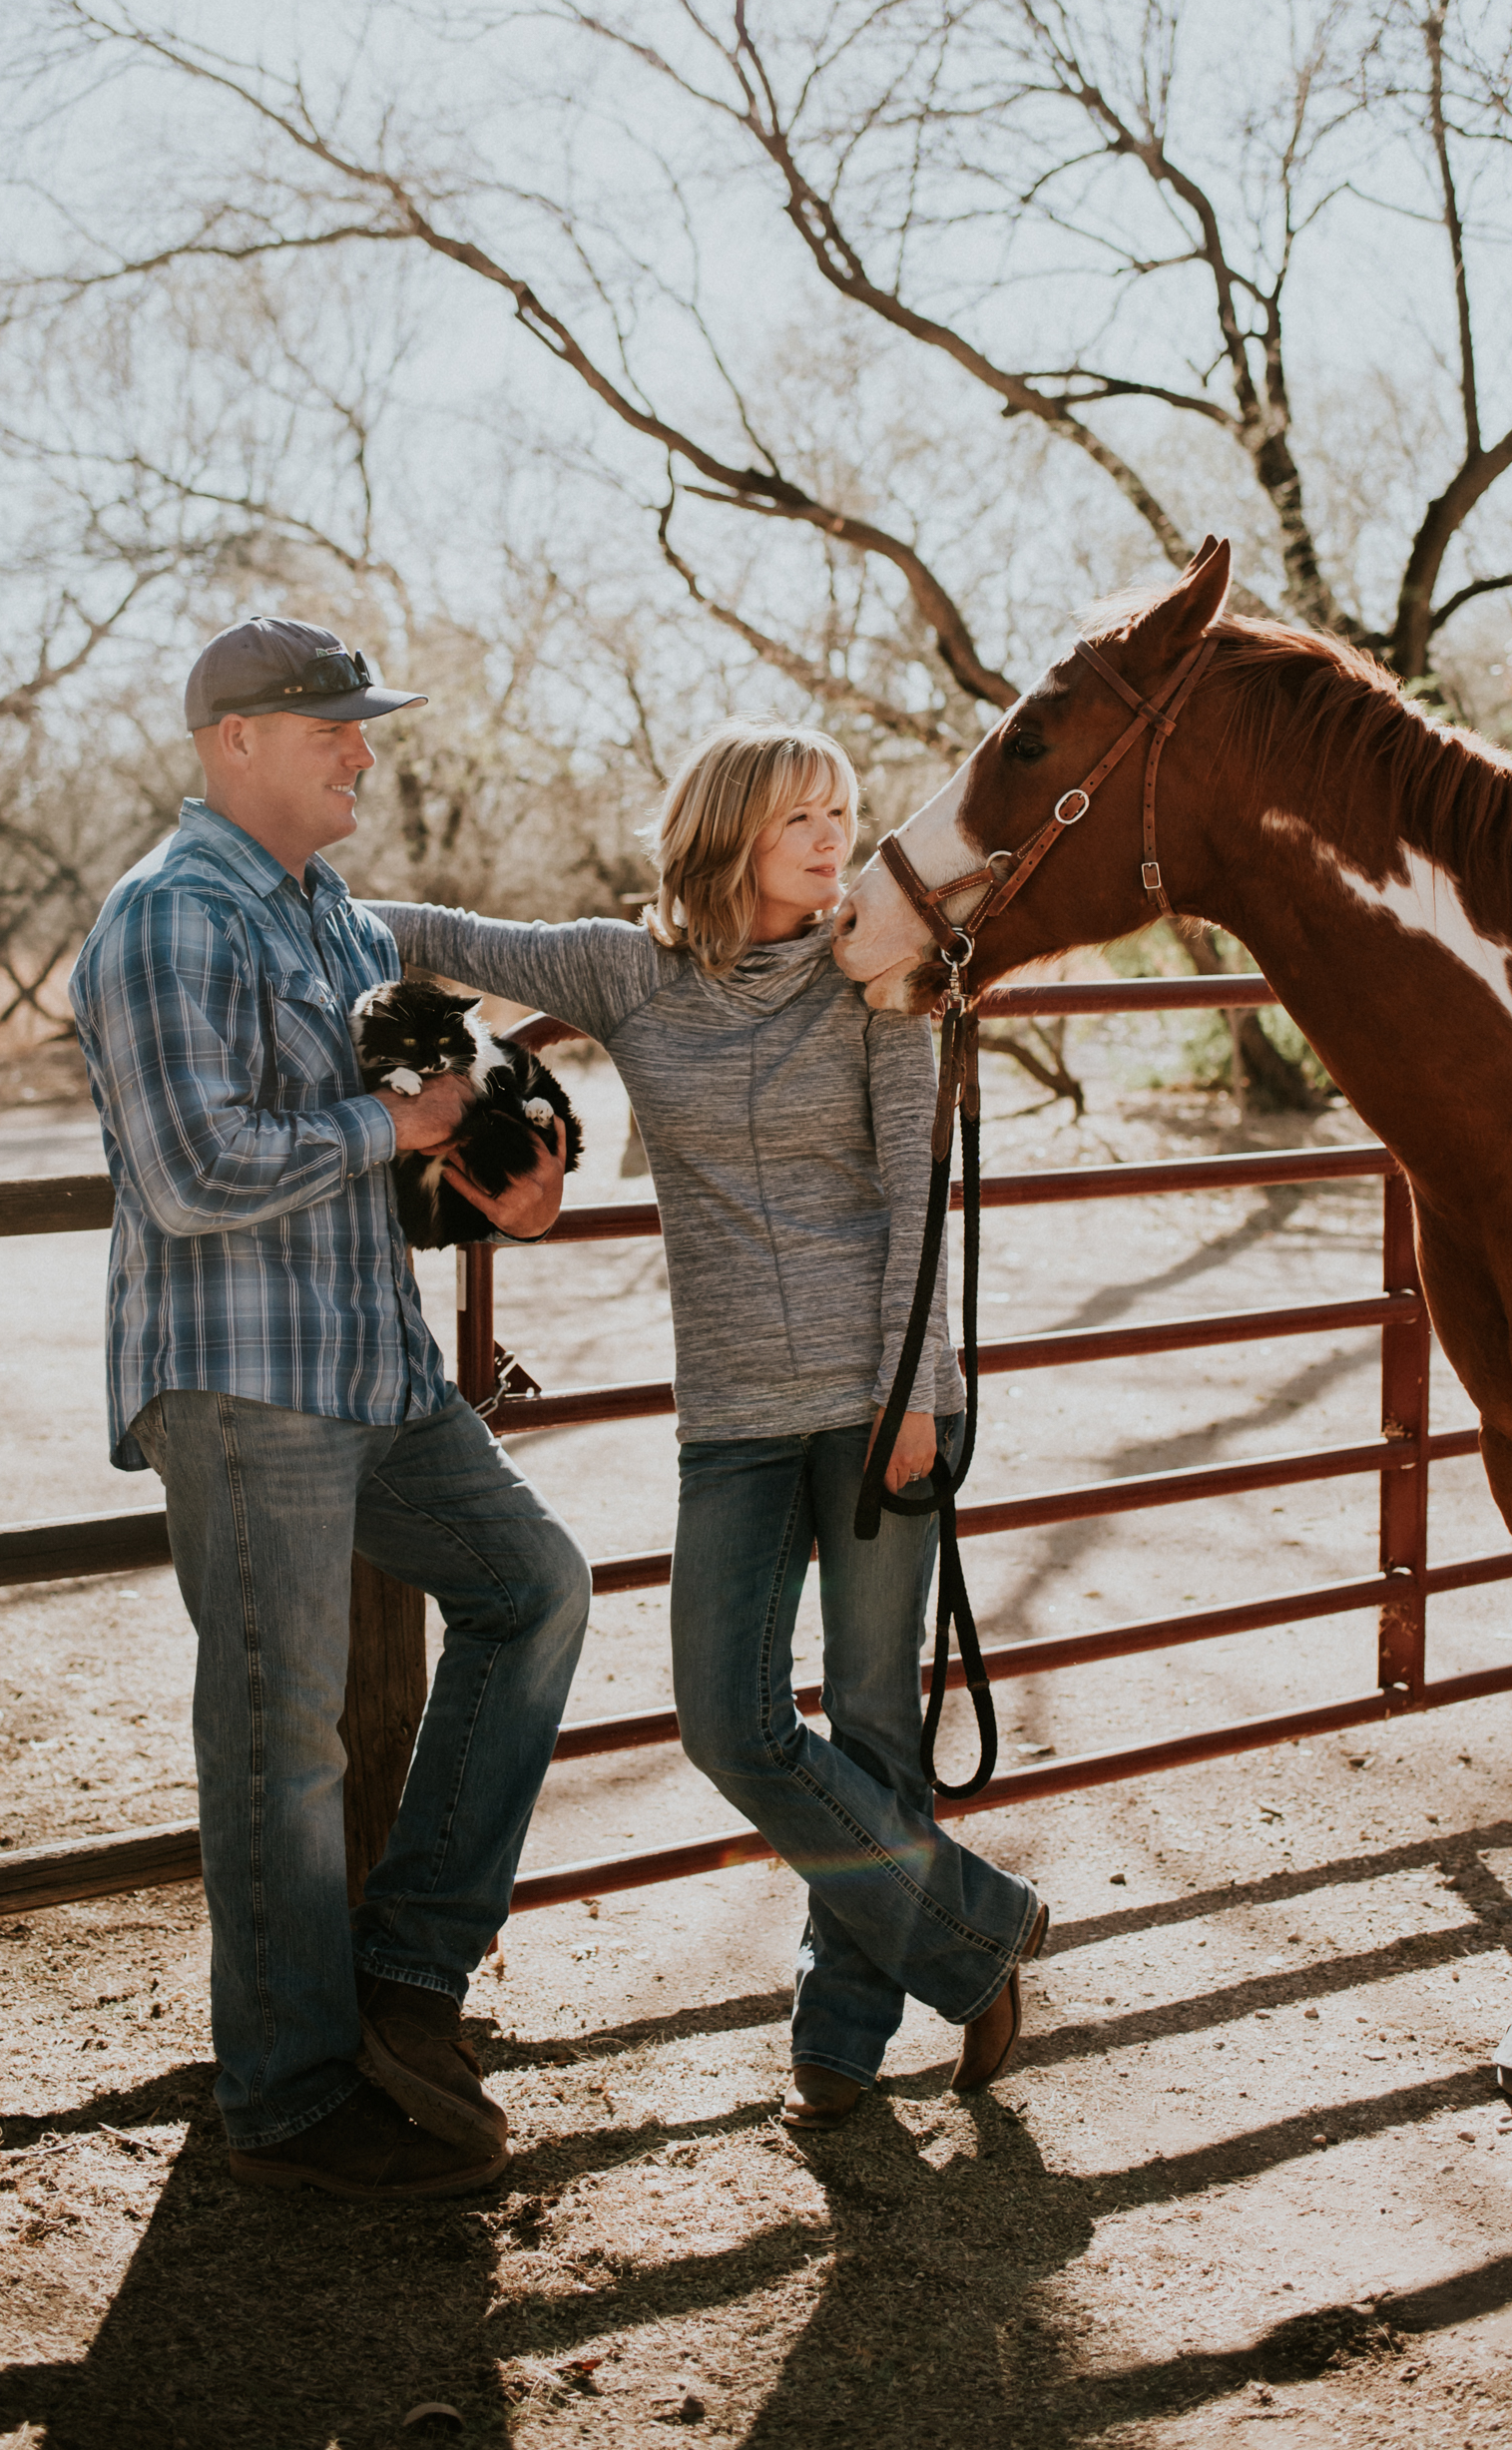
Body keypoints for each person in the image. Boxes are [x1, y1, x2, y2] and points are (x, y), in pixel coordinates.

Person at [367, 721, 1046, 2129]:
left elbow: (915, 1207)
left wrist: (912, 1395)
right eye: (801, 815)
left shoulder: (878, 976)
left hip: (879, 1402)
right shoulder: (631, 976)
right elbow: (433, 930)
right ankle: (974, 1939)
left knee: (871, 1725)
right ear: (729, 826)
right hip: (734, 1412)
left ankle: (839, 2044)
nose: (831, 841)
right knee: (727, 1723)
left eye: (843, 815)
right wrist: (279, 895)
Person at [70, 617, 588, 2199]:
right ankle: (291, 2100)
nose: (363, 749)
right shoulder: (169, 921)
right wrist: (394, 1124)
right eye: (330, 729)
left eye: (364, 726)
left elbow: (425, 1114)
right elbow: (194, 1169)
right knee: (279, 1735)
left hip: (374, 1369)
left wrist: (499, 1166)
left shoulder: (339, 922)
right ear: (233, 740)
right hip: (245, 1383)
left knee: (535, 1592)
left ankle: (407, 1978)